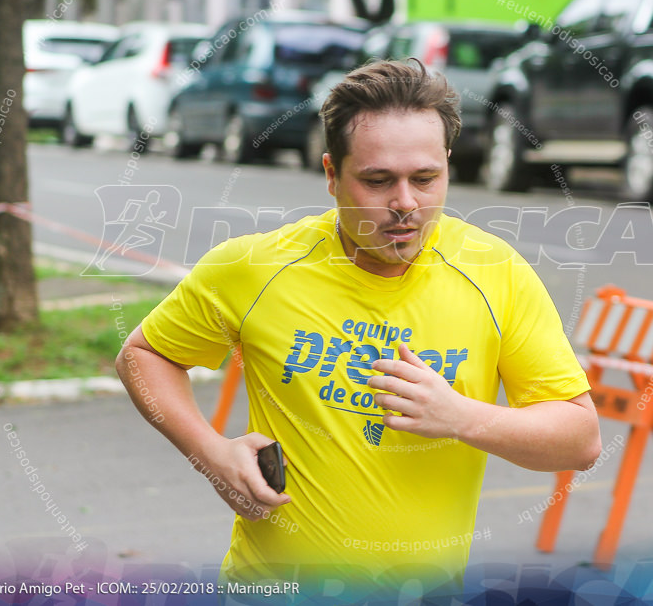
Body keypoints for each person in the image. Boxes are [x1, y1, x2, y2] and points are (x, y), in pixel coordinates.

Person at [116, 59, 601, 599]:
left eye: (425, 179)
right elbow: (144, 355)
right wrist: (210, 453)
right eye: (377, 180)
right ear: (330, 173)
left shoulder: (496, 273)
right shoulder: (254, 268)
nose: (405, 204)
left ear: (446, 164)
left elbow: (579, 439)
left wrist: (461, 416)